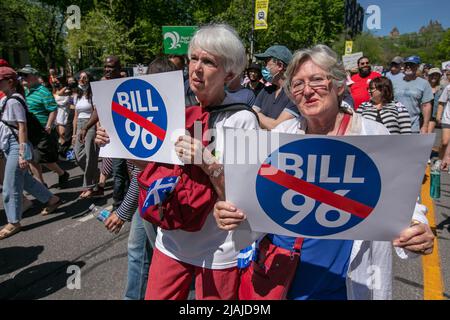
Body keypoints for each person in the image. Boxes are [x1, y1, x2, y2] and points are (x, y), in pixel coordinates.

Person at [213, 45, 434, 300]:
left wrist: (418, 227)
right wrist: (229, 212)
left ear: (339, 86)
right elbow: (252, 199)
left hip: (344, 282)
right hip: (283, 275)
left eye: (317, 80)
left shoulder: (373, 135)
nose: (306, 91)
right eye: (297, 85)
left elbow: (405, 203)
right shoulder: (280, 136)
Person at [96, 23, 260, 300]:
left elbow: (241, 199)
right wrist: (117, 142)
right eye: (193, 58)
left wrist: (206, 161)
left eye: (208, 62)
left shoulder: (242, 119)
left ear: (229, 73)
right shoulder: (173, 105)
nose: (196, 68)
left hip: (219, 250)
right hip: (170, 240)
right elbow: (146, 169)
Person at [0, 66, 61, 240]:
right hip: (9, 145)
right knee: (25, 180)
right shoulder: (7, 99)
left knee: (10, 185)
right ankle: (52, 200)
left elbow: (22, 127)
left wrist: (21, 153)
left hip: (15, 145)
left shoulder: (13, 100)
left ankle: (13, 222)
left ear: (9, 82)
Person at [81, 56, 129, 209]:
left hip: (129, 133)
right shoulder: (102, 85)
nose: (107, 70)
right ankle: (118, 204)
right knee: (118, 170)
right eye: (105, 67)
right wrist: (86, 126)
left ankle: (128, 201)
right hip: (112, 136)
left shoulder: (127, 84)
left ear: (119, 69)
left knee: (128, 171)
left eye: (111, 67)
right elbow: (99, 109)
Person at [17, 65, 70, 186]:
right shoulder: (24, 92)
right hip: (28, 130)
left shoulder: (43, 91)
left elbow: (53, 109)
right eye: (22, 75)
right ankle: (41, 184)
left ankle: (62, 173)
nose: (22, 78)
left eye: (26, 75)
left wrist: (49, 125)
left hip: (41, 130)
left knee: (43, 159)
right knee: (31, 158)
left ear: (35, 77)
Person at [252, 45, 300, 129]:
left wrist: (257, 115)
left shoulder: (295, 93)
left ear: (280, 66)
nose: (264, 67)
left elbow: (277, 126)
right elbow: (250, 116)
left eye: (266, 62)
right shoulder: (266, 90)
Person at [73, 71, 100, 199]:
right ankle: (96, 174)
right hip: (79, 124)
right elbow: (75, 116)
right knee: (78, 155)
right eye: (80, 78)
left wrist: (96, 128)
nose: (82, 80)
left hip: (90, 124)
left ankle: (89, 186)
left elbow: (96, 112)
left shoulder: (93, 94)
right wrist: (74, 134)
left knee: (90, 156)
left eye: (85, 78)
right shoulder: (76, 95)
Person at [391, 56, 433, 134]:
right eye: (406, 65)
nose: (408, 67)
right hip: (394, 125)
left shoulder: (424, 83)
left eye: (412, 65)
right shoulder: (394, 82)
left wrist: (425, 126)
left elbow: (426, 105)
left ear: (417, 67)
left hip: (413, 126)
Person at [427, 68, 444, 135]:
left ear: (439, 76)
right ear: (429, 76)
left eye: (436, 75)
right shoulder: (424, 86)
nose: (434, 76)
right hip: (422, 114)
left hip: (433, 115)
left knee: (428, 134)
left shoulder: (442, 88)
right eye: (432, 74)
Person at [437, 83, 450, 162]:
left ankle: (447, 161)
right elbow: (441, 102)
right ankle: (440, 160)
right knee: (445, 142)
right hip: (447, 118)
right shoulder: (448, 87)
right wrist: (439, 115)